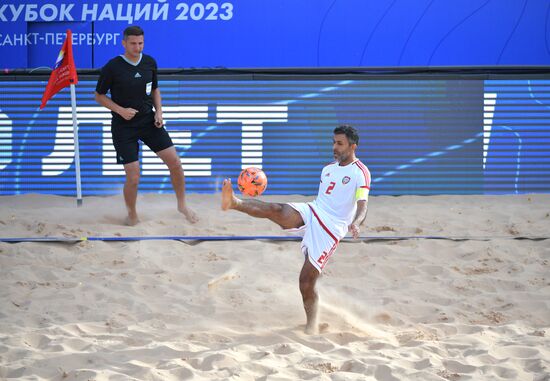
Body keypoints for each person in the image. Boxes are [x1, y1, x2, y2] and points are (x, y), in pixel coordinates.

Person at [221, 125, 370, 334]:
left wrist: (356, 222)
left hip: (332, 227)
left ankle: (312, 326)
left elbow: (362, 205)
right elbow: (325, 200)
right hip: (314, 210)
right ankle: (234, 202)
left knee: (306, 282)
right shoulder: (328, 168)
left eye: (340, 143)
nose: (334, 147)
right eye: (333, 142)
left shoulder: (360, 172)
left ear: (353, 146)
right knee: (277, 209)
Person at [94, 26, 197, 225]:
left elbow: (155, 89)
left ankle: (182, 205)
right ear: (124, 43)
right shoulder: (112, 67)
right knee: (133, 177)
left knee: (175, 163)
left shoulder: (149, 62)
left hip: (149, 122)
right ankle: (132, 214)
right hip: (124, 126)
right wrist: (120, 110)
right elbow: (98, 96)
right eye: (133, 43)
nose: (137, 47)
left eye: (140, 43)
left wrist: (159, 112)